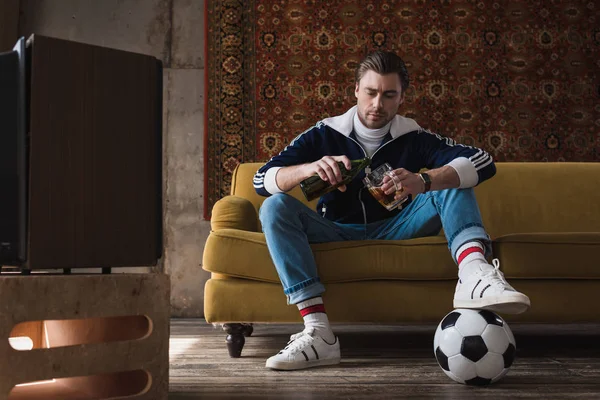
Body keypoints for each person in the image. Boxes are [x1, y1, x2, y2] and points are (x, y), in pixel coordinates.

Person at [253, 50, 530, 371]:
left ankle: (474, 276)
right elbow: (262, 180)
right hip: (335, 230)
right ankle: (317, 333)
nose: (377, 104)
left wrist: (423, 180)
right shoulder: (323, 133)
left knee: (453, 180)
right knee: (274, 206)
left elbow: (484, 162)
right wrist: (308, 169)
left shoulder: (415, 137)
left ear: (401, 98)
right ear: (356, 89)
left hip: (400, 226)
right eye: (370, 92)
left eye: (388, 95)